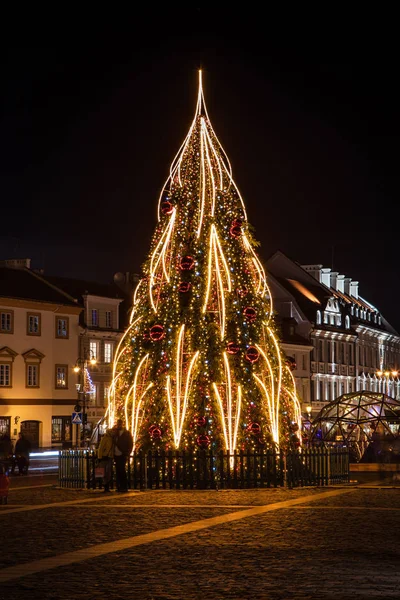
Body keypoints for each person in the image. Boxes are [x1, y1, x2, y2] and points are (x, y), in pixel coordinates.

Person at [112, 419, 133, 492]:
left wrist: (127, 452)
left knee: (122, 470)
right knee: (118, 471)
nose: (119, 425)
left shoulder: (126, 433)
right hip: (116, 454)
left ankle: (124, 486)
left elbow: (130, 443)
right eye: (118, 424)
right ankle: (119, 486)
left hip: (122, 454)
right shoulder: (115, 433)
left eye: (120, 424)